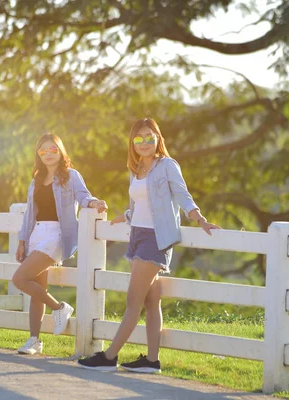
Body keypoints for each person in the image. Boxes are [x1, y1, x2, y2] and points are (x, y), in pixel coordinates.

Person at [78, 118, 220, 373]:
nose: (144, 142)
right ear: (132, 143)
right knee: (151, 301)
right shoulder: (136, 169)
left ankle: (109, 357)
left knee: (133, 300)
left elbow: (182, 195)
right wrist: (127, 216)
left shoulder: (167, 165)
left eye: (149, 137)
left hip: (156, 238)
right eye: (138, 138)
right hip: (138, 236)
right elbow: (143, 204)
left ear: (158, 138)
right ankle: (152, 361)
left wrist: (200, 219)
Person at [13, 133, 108, 355]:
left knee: (20, 278)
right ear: (38, 155)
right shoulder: (35, 180)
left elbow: (83, 196)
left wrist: (94, 202)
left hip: (57, 234)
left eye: (53, 149)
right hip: (37, 232)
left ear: (61, 151)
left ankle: (60, 307)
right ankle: (34, 340)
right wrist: (22, 241)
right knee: (37, 289)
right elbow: (29, 214)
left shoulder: (71, 176)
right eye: (43, 151)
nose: (48, 154)